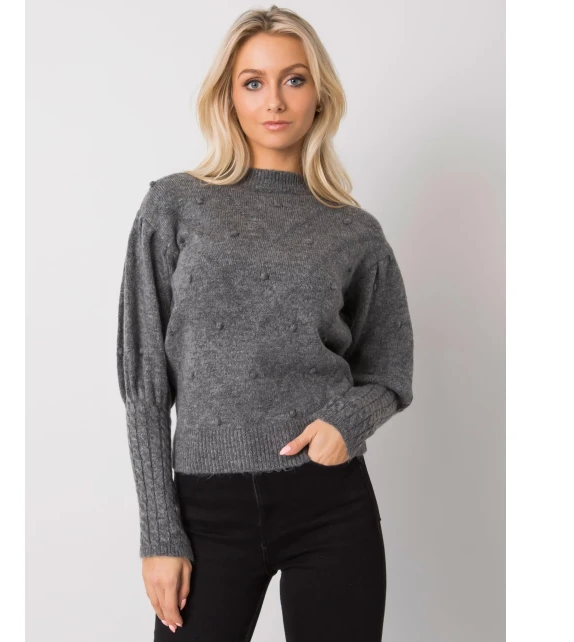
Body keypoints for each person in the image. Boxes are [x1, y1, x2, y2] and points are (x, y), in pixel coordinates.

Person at [116, 6, 414, 641]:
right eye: (253, 82)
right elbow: (144, 380)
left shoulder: (354, 231)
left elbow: (389, 369)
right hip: (206, 511)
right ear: (228, 96)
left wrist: (348, 422)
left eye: (294, 79)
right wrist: (159, 532)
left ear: (319, 94)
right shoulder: (175, 206)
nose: (274, 100)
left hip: (328, 502)